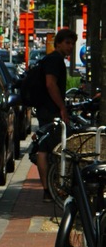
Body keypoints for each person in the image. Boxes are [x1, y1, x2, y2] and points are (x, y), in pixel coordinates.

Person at [35, 28, 76, 202]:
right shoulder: (54, 60)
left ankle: (50, 188)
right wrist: (62, 108)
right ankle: (48, 189)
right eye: (67, 43)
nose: (71, 47)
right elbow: (51, 85)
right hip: (50, 111)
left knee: (47, 147)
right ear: (58, 43)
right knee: (46, 149)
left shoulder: (53, 59)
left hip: (47, 109)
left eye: (73, 44)